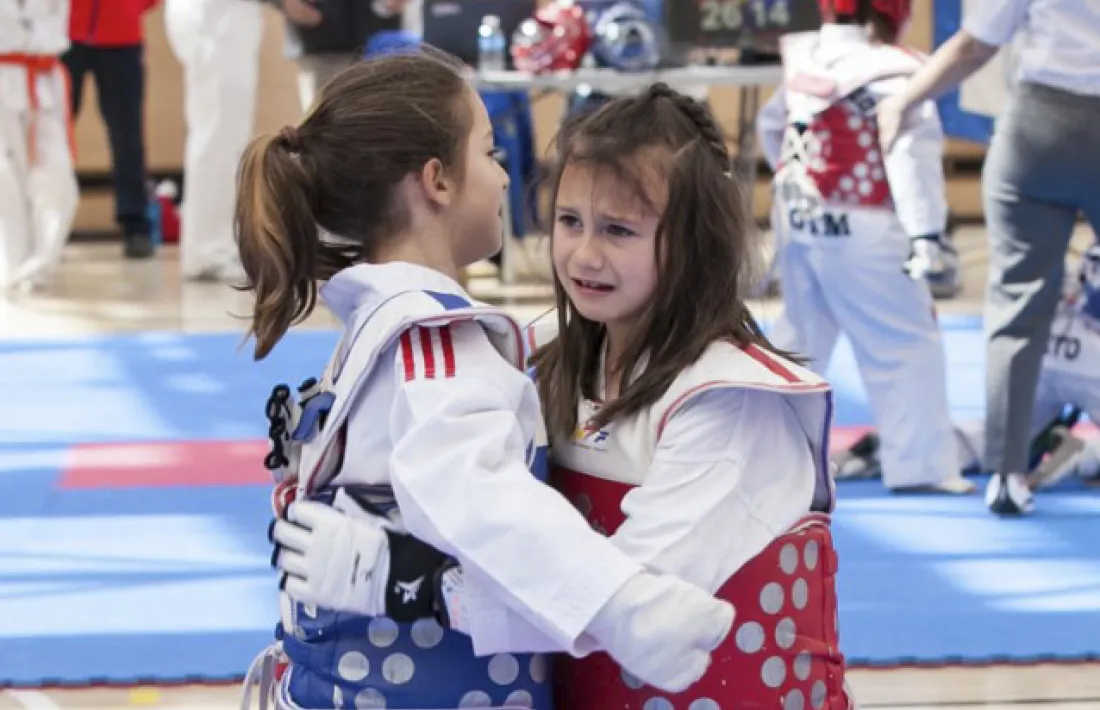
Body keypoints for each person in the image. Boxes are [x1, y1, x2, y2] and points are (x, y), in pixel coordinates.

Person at [269, 81, 857, 710]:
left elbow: (622, 604)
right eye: (570, 221)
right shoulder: (538, 354)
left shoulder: (730, 403)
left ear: (693, 239)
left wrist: (406, 582)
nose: (584, 253)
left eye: (619, 230)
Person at [876, 0, 1100, 515]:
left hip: (1040, 126)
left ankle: (1006, 472)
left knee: (1018, 303)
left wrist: (903, 101)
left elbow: (974, 43)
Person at [756, 0, 973, 494]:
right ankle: (921, 467)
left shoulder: (804, 56)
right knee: (904, 344)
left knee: (798, 341)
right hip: (866, 226)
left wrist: (799, 189)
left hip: (797, 217)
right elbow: (909, 153)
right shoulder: (901, 71)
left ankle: (761, 455)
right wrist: (927, 235)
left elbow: (772, 129)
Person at [837, 243, 1100, 489]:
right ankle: (1087, 456)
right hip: (1093, 355)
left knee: (998, 439)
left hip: (1046, 339)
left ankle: (901, 448)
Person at [165, 0, 264, 281]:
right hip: (216, 17)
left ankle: (220, 244)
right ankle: (209, 250)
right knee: (217, 136)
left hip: (231, 17)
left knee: (229, 137)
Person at [66, 0, 159, 259]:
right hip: (65, 31)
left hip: (122, 33)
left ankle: (135, 225)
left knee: (127, 135)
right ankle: (46, 223)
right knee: (54, 135)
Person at [0, 0, 80, 293]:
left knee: (58, 177)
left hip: (43, 75)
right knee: (5, 180)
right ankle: (10, 264)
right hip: (3, 72)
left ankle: (38, 264)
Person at [271, 0, 413, 112]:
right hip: (324, 48)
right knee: (327, 121)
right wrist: (285, 2)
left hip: (383, 44)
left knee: (384, 119)